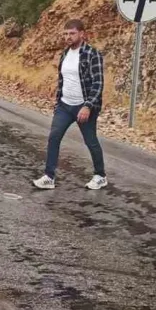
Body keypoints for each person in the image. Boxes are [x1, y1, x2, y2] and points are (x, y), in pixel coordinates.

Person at [32, 19, 108, 190]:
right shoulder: (65, 54)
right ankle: (49, 177)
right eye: (65, 34)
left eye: (72, 33)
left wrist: (88, 106)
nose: (68, 37)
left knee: (90, 141)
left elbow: (98, 83)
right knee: (54, 137)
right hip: (65, 106)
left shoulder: (91, 54)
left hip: (84, 107)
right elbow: (63, 80)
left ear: (82, 34)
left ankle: (100, 175)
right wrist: (58, 102)